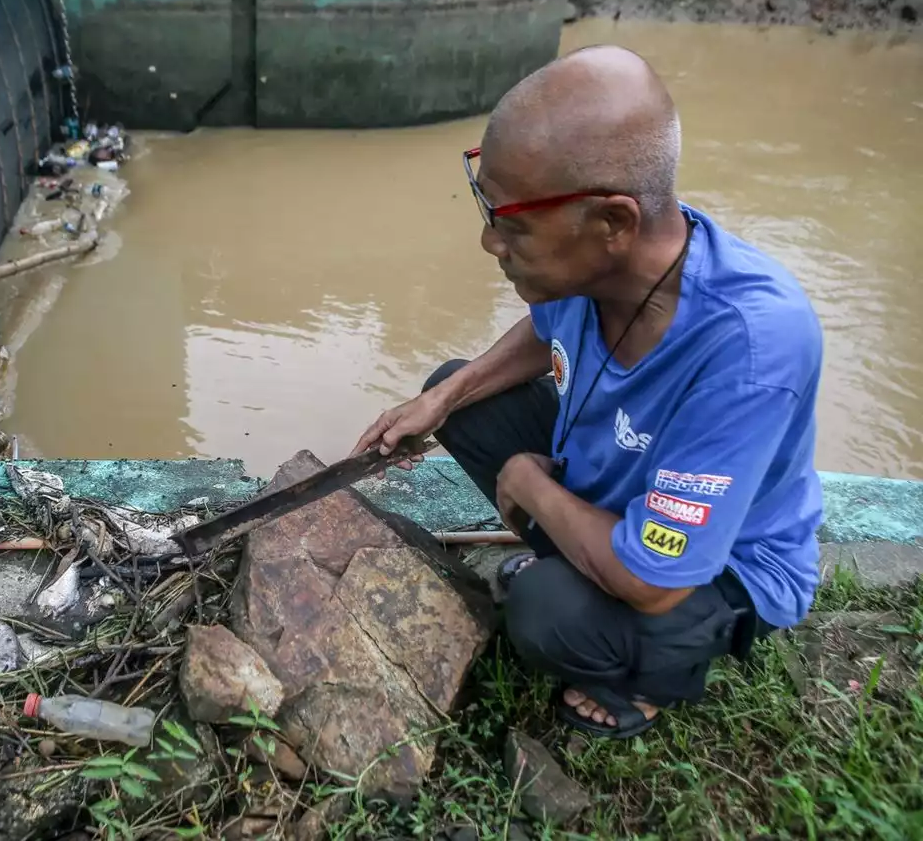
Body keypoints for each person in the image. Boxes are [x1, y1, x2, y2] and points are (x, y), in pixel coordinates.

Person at [350, 45, 824, 739]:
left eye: (512, 226)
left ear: (612, 223)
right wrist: (444, 400)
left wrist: (531, 485)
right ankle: (575, 544)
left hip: (711, 568)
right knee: (455, 388)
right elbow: (548, 332)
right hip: (616, 485)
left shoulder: (752, 345)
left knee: (547, 611)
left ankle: (653, 676)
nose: (491, 243)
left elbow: (654, 579)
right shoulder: (598, 268)